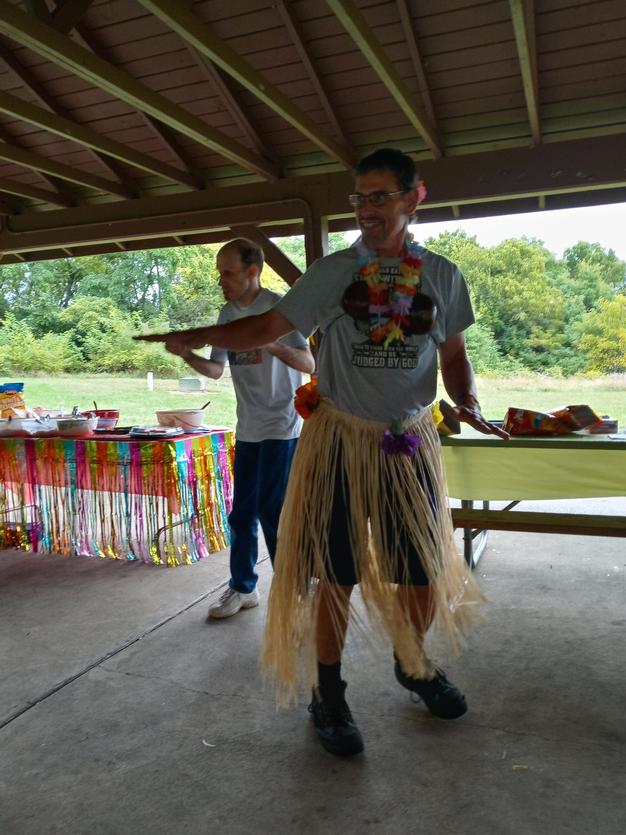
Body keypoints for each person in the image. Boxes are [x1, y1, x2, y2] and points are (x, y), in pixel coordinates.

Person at [135, 149, 508, 757]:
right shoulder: (334, 273)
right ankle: (328, 695)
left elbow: (454, 355)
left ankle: (412, 664)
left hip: (408, 443)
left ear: (413, 198)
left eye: (379, 196)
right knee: (334, 574)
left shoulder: (442, 276)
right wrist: (200, 335)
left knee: (419, 574)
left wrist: (466, 399)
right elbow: (266, 327)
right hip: (339, 442)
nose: (366, 209)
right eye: (359, 198)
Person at [167, 238, 315, 619]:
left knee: (273, 509)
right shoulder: (227, 315)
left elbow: (309, 364)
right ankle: (243, 587)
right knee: (242, 512)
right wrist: (188, 355)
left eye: (228, 273)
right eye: (220, 273)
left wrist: (272, 344)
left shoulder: (280, 309)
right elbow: (217, 369)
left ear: (253, 271)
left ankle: (295, 586)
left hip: (283, 425)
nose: (222, 281)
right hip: (248, 427)